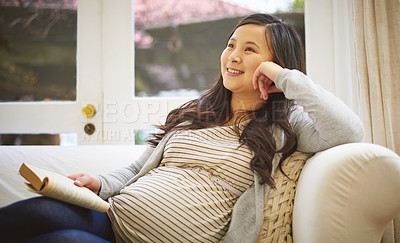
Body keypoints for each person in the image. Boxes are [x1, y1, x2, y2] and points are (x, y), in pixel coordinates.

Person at [0, 13, 364, 243]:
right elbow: (137, 170)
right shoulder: (196, 112)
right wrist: (100, 184)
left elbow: (348, 131)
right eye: (231, 44)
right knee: (41, 211)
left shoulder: (286, 127)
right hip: (116, 220)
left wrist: (286, 79)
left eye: (250, 50)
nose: (233, 56)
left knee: (64, 240)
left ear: (275, 65)